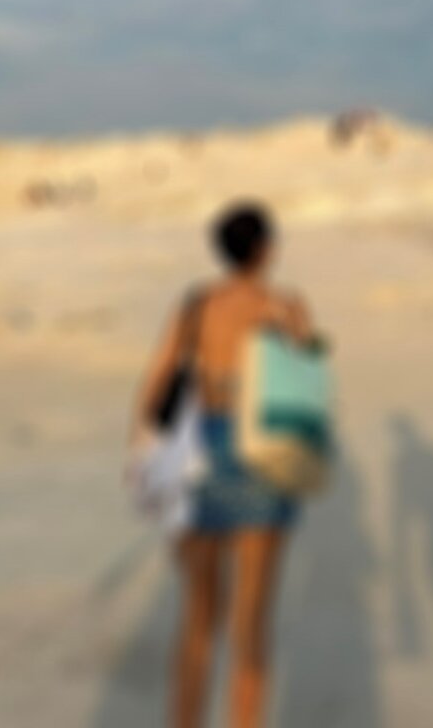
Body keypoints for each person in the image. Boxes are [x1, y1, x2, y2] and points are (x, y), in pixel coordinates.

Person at [129, 201, 319, 728]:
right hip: (263, 454)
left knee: (197, 620)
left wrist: (143, 457)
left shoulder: (195, 305)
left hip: (198, 453)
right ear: (266, 250)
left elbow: (155, 384)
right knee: (251, 625)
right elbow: (307, 390)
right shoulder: (285, 307)